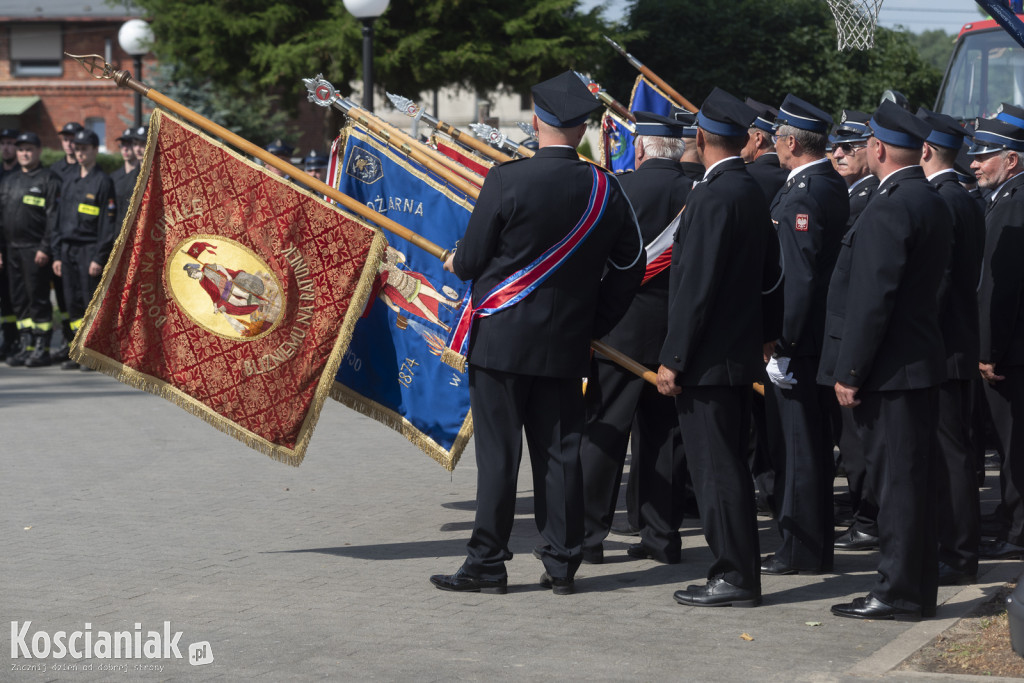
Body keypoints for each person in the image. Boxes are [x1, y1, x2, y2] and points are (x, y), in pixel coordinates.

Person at [430, 71, 644, 596]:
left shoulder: (507, 179)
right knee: (560, 453)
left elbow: (474, 259)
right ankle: (563, 562)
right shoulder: (604, 186)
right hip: (566, 344)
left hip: (501, 342)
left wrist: (457, 259)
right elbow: (632, 265)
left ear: (536, 121)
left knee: (500, 458)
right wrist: (593, 321)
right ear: (581, 129)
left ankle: (486, 564)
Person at [821, 101, 950, 621]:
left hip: (890, 371)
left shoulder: (891, 203)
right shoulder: (929, 197)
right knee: (911, 484)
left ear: (875, 148)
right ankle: (913, 588)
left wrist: (850, 371)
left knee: (895, 486)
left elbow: (873, 299)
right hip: (914, 365)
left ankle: (896, 592)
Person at [658, 88, 783, 608]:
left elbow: (695, 288)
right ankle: (736, 572)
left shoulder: (713, 195)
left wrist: (674, 358)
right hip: (737, 354)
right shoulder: (749, 188)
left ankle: (734, 576)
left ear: (702, 136)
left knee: (716, 472)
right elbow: (772, 275)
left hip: (708, 362)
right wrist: (767, 334)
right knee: (726, 464)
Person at [578, 111, 692, 566]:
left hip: (618, 333)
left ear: (641, 149)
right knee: (665, 439)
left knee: (604, 437)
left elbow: (596, 258)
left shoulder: (618, 189)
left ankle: (587, 538)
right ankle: (662, 539)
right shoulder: (695, 193)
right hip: (676, 335)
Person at [760, 94, 849, 576]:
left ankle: (801, 550)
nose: (774, 145)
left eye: (777, 138)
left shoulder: (802, 195)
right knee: (810, 444)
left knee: (800, 448)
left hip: (805, 342)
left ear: (792, 143)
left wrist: (785, 345)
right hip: (821, 338)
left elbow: (799, 280)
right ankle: (810, 547)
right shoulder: (828, 183)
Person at [917, 107, 985, 585]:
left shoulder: (943, 199)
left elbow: (936, 284)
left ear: (925, 150)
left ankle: (957, 554)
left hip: (942, 345)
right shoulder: (959, 196)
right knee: (952, 451)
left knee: (949, 455)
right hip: (955, 341)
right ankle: (955, 549)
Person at [828, 110, 882, 551]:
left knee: (859, 438)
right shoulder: (852, 194)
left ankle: (870, 516)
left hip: (856, 337)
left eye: (849, 146)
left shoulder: (865, 200)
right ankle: (865, 509)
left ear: (872, 148)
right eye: (835, 147)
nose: (838, 153)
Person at [972, 113, 1024, 560]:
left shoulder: (1012, 202)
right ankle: (1009, 518)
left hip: (1012, 351)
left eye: (984, 155)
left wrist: (988, 350)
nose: (975, 164)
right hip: (1013, 347)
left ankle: (1017, 529)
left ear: (1011, 160)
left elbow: (1000, 288)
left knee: (1014, 445)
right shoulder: (1006, 197)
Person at [51, 129, 117, 371]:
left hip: (89, 250)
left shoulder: (102, 181)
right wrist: (57, 254)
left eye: (84, 149)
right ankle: (77, 350)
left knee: (90, 301)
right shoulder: (69, 180)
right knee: (72, 302)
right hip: (68, 250)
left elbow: (107, 225)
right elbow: (58, 220)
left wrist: (99, 257)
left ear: (94, 151)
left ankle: (92, 353)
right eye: (77, 149)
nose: (80, 153)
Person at [1, 132, 61, 367]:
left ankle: (42, 347)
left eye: (29, 149)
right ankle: (26, 345)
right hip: (11, 250)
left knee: (38, 299)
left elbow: (53, 218)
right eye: (21, 149)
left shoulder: (48, 179)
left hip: (35, 251)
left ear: (38, 151)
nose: (25, 153)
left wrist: (45, 248)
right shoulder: (9, 180)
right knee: (19, 300)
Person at [743, 98, 788, 203]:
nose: (740, 140)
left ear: (758, 139)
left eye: (744, 136)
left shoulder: (744, 174)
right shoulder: (791, 173)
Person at [0, 128, 19, 357]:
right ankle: (7, 337)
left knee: (17, 295)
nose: (6, 147)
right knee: (4, 297)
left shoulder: (21, 174)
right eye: (3, 142)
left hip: (17, 244)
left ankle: (17, 340)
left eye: (10, 143)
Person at [110, 128, 141, 234]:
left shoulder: (142, 176)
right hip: (116, 232)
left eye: (129, 144)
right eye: (123, 144)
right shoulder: (113, 177)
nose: (125, 149)